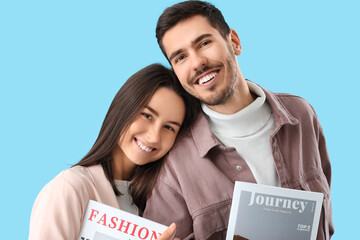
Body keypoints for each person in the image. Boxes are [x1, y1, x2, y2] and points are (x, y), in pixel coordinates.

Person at [143, 1, 334, 239]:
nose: (197, 62)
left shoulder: (302, 114)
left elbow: (324, 221)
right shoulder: (173, 164)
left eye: (204, 43)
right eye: (180, 57)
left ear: (234, 42)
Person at [29, 64, 199, 240]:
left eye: (169, 127)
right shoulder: (70, 188)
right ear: (124, 109)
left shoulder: (162, 201)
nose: (154, 136)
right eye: (147, 115)